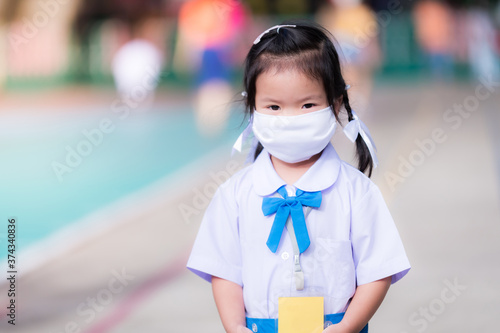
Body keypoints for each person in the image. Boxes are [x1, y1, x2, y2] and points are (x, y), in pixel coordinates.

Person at [187, 20, 411, 333]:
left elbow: (378, 270)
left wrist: (347, 327)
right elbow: (224, 271)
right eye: (274, 106)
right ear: (253, 107)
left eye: (307, 104)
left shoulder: (356, 191)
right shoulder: (234, 194)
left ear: (334, 104)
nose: (290, 119)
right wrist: (235, 327)